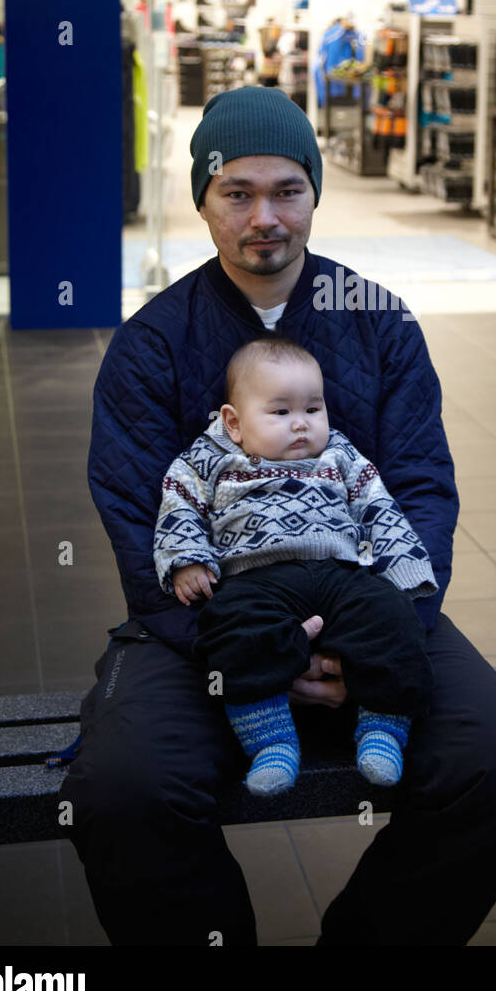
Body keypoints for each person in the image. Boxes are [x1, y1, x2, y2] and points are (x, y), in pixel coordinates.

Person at [61, 85, 496, 947]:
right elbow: (137, 518)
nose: (266, 217)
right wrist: (249, 645)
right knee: (123, 790)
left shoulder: (381, 326)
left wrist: (374, 631)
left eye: (287, 190)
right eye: (237, 193)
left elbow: (422, 487)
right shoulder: (153, 344)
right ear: (204, 204)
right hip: (204, 620)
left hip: (372, 604)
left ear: (315, 194)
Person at [155, 334, 438, 796]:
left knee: (392, 618)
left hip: (341, 573)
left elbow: (378, 506)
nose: (301, 424)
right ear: (234, 422)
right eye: (281, 411)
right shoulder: (209, 458)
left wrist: (403, 569)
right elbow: (180, 502)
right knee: (232, 630)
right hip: (254, 578)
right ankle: (270, 742)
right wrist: (187, 559)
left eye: (312, 408)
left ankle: (383, 730)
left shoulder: (339, 454)